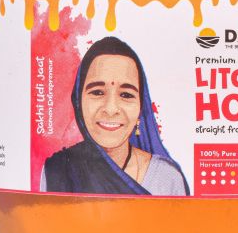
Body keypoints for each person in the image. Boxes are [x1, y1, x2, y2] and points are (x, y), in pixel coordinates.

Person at [42, 36, 189, 195]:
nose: (111, 109)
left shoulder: (167, 178)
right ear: (78, 101)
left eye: (126, 95)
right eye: (97, 92)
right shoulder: (58, 171)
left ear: (141, 107)